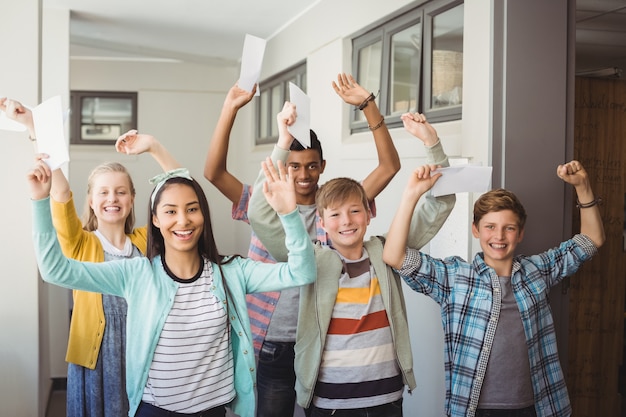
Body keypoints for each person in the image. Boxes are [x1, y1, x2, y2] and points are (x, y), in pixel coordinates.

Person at [28, 155, 317, 417]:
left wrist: (289, 214)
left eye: (192, 209)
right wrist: (40, 202)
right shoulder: (137, 273)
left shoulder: (232, 272)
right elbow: (55, 270)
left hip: (214, 411)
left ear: (203, 215)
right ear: (154, 219)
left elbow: (302, 271)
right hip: (154, 411)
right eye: (170, 211)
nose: (183, 220)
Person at [204, 73, 402, 416]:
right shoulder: (264, 201)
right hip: (272, 341)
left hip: (324, 340)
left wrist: (368, 107)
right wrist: (230, 108)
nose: (303, 175)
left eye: (312, 166)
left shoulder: (340, 209)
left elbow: (389, 166)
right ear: (284, 167)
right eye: (294, 166)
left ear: (323, 166)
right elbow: (214, 172)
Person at [248, 115, 456, 415]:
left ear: (369, 214)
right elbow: (260, 216)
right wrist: (281, 144)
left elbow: (440, 204)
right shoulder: (313, 260)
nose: (346, 221)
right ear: (321, 223)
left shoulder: (386, 252)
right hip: (330, 404)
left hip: (387, 398)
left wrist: (431, 142)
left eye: (355, 210)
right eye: (335, 215)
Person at [382, 160, 605, 417]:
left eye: (508, 228)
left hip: (537, 407)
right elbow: (394, 255)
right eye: (490, 227)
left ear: (520, 234)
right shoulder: (454, 277)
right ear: (476, 230)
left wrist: (583, 186)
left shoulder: (538, 270)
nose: (499, 236)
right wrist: (412, 195)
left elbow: (592, 240)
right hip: (475, 409)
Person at [1, 97, 179, 417]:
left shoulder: (146, 241)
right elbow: (59, 193)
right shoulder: (80, 244)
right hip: (97, 361)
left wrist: (153, 146)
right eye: (104, 192)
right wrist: (33, 129)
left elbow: (179, 191)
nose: (112, 198)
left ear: (133, 199)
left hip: (145, 357)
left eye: (121, 191)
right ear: (92, 202)